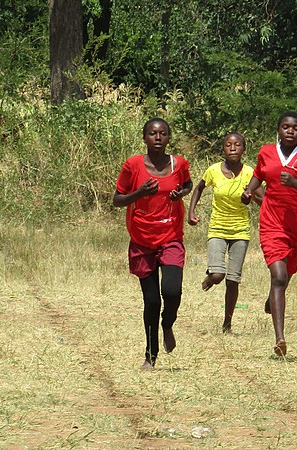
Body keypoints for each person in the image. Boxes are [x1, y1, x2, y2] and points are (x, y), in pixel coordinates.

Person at [242, 111, 297, 356]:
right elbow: (258, 176)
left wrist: (296, 184)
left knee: (285, 275)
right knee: (279, 276)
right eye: (285, 127)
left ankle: (273, 297)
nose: (290, 131)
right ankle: (280, 339)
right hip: (272, 221)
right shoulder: (266, 152)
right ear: (278, 130)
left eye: (295, 128)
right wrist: (249, 192)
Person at [113, 118, 193, 370]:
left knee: (172, 291)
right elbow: (118, 199)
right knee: (151, 301)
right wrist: (140, 194)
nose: (158, 137)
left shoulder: (178, 163)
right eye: (152, 133)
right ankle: (150, 354)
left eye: (163, 133)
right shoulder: (133, 165)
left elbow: (188, 184)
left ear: (169, 137)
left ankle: (168, 323)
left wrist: (181, 193)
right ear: (144, 137)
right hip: (142, 240)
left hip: (170, 237)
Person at [187, 132, 264, 334]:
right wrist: (191, 211)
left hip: (240, 231)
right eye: (228, 145)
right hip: (217, 228)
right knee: (219, 275)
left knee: (233, 280)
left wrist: (251, 197)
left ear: (243, 150)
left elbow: (263, 199)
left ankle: (227, 324)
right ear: (223, 149)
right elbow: (198, 189)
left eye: (237, 145)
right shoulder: (213, 170)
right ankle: (211, 276)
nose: (232, 148)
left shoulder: (250, 173)